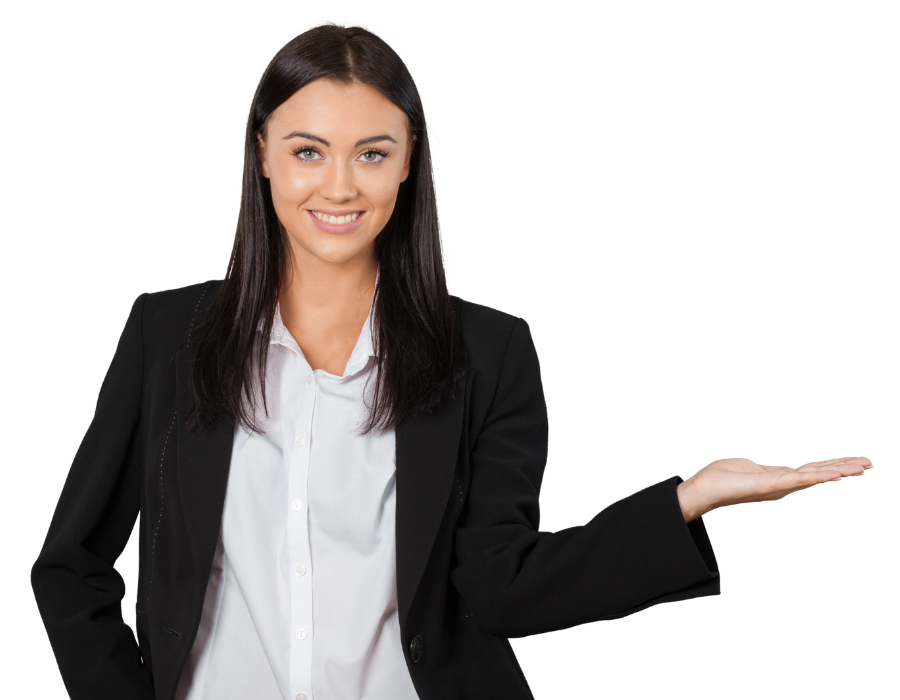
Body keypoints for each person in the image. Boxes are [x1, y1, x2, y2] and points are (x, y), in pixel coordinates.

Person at [29, 16, 875, 700]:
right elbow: (71, 563)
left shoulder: (489, 350)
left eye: (372, 153)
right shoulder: (164, 335)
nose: (339, 187)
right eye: (307, 150)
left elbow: (502, 584)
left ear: (408, 168)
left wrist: (683, 502)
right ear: (260, 156)